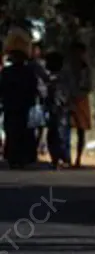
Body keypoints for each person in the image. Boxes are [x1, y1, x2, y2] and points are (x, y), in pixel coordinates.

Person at [1, 28, 46, 169]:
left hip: (16, 107)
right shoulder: (26, 72)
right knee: (18, 132)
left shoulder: (13, 72)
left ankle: (18, 158)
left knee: (16, 132)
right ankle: (19, 158)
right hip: (18, 107)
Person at [65, 42, 93, 168]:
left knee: (81, 131)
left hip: (81, 100)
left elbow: (89, 86)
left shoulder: (85, 69)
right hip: (69, 100)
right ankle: (66, 157)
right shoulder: (68, 68)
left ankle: (78, 158)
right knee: (66, 129)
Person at [44, 52, 73, 169]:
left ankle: (64, 158)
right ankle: (55, 158)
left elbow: (65, 95)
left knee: (62, 134)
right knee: (53, 134)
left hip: (61, 109)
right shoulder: (51, 77)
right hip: (52, 109)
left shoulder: (62, 78)